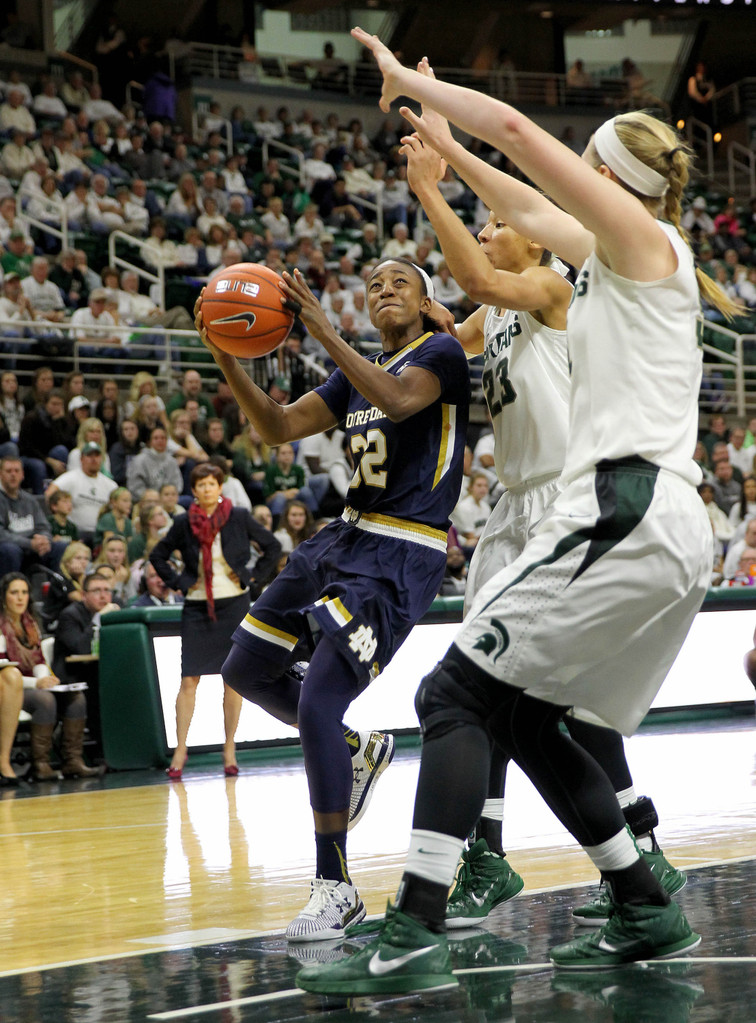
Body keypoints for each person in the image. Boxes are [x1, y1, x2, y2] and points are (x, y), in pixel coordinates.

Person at [293, 33, 740, 990]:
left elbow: (516, 137)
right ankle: (645, 906)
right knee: (532, 718)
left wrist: (414, 81)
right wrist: (438, 142)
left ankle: (412, 928)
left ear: (611, 177)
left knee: (449, 697)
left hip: (622, 504)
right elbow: (519, 201)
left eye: (586, 168)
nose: (568, 181)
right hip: (653, 518)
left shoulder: (638, 243)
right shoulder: (624, 254)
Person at [401, 120, 688, 932]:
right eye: (487, 224)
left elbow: (479, 280)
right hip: (508, 511)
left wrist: (430, 186)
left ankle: (635, 842)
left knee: (543, 704)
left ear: (533, 243)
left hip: (568, 506)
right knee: (486, 693)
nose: (491, 230)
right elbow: (423, 361)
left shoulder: (557, 289)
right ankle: (495, 852)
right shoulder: (484, 321)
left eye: (498, 223)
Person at [195, 251, 469, 944]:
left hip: (402, 550)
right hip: (342, 538)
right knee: (243, 669)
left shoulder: (440, 353)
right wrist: (227, 353)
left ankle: (335, 887)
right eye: (373, 283)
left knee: (317, 695)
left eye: (399, 281)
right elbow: (279, 427)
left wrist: (318, 325)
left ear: (426, 298)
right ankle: (354, 749)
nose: (383, 289)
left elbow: (401, 398)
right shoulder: (353, 373)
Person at [150, 463, 282, 779]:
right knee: (188, 680)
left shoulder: (237, 516)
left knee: (232, 680)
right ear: (193, 491)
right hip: (196, 607)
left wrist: (252, 579)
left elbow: (273, 547)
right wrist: (181, 581)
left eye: (212, 484)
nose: (207, 489)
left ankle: (229, 748)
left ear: (220, 487)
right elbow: (158, 555)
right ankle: (180, 750)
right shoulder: (183, 522)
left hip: (234, 603)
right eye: (201, 485)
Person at [0, 572, 100, 780]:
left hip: (34, 684)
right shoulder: (1, 626)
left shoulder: (30, 623)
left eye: (24, 592)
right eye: (14, 593)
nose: (20, 598)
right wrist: (38, 683)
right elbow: (4, 669)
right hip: (10, 689)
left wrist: (46, 679)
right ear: (4, 597)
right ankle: (41, 765)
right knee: (44, 700)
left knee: (76, 697)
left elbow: (39, 660)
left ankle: (73, 761)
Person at [0, 455, 67, 577]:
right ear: (0, 474)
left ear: (23, 475)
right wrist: (29, 543)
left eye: (17, 471)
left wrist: (44, 540)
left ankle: (55, 591)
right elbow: (1, 535)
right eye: (9, 471)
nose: (13, 475)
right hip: (13, 549)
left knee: (60, 547)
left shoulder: (30, 500)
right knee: (9, 550)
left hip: (33, 548)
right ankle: (9, 590)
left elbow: (44, 527)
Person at [46, 443, 117, 546]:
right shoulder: (71, 478)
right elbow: (49, 493)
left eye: (97, 456)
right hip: (76, 533)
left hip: (101, 535)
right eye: (89, 456)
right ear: (81, 459)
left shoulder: (110, 485)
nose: (94, 459)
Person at [41, 541, 90, 632]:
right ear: (67, 561)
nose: (83, 562)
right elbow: (81, 600)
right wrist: (81, 578)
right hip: (56, 624)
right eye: (78, 558)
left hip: (76, 622)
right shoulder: (59, 579)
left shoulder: (83, 578)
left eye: (86, 559)